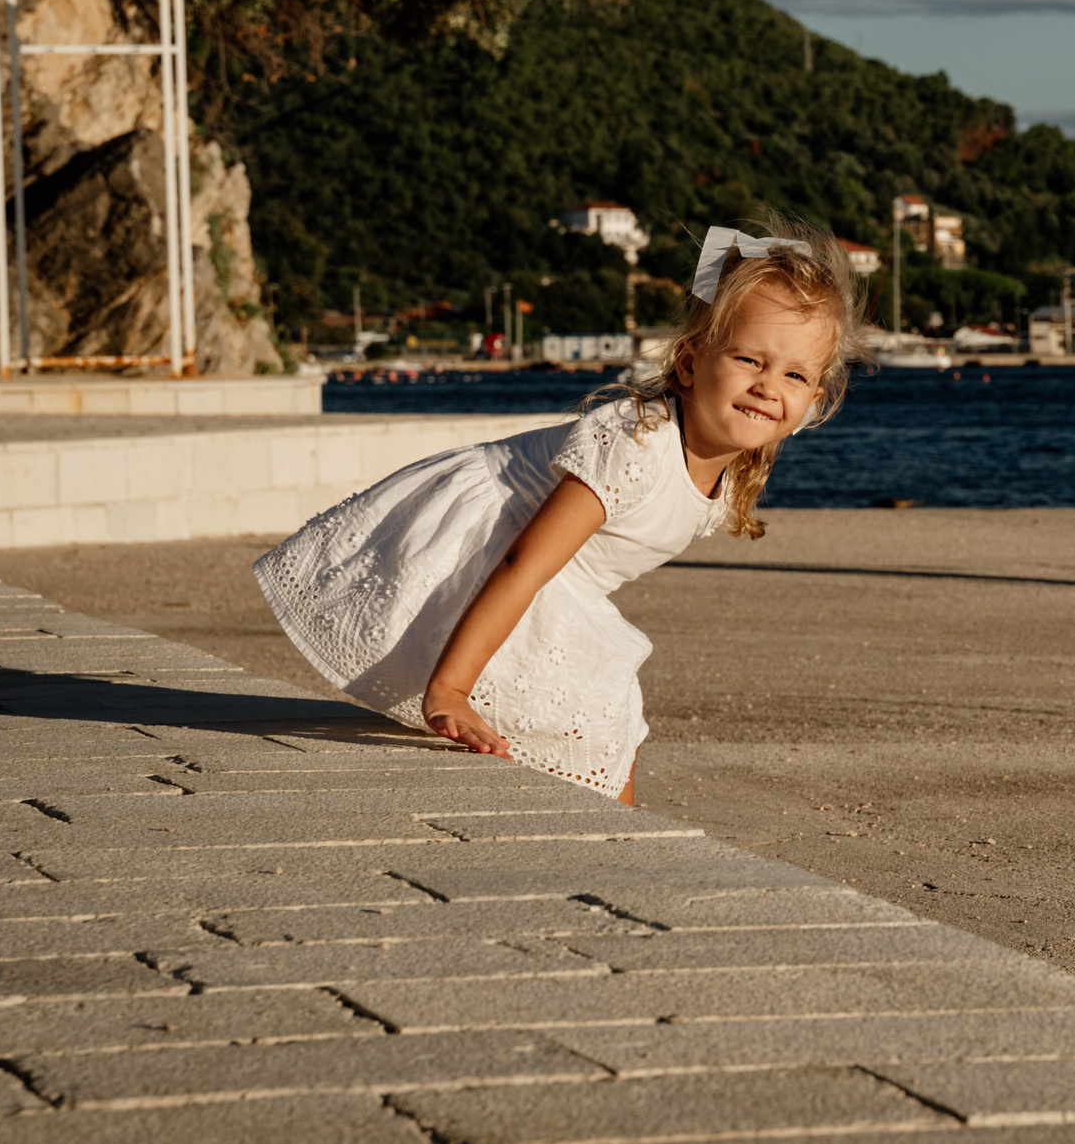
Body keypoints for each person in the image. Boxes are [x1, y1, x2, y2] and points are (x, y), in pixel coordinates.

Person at [254, 223, 867, 802]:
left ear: (815, 399)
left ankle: (604, 838)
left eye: (794, 374)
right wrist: (450, 689)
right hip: (492, 545)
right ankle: (605, 839)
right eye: (749, 360)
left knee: (608, 721)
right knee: (602, 710)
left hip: (555, 577)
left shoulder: (733, 470)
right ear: (688, 363)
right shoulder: (637, 445)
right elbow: (524, 561)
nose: (768, 386)